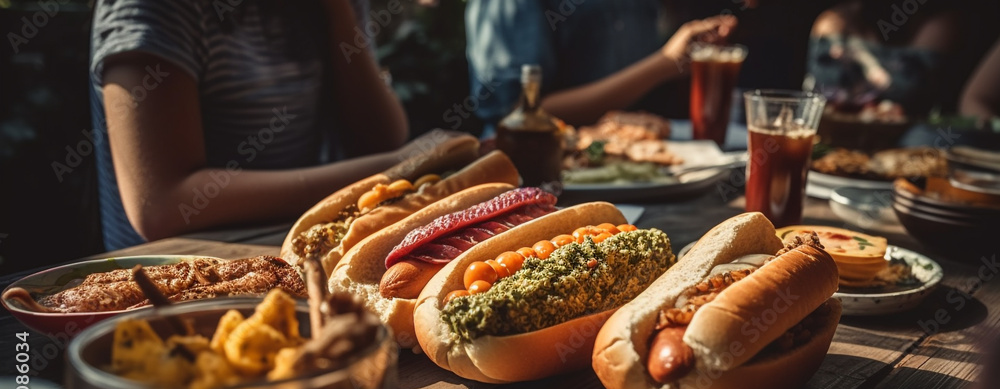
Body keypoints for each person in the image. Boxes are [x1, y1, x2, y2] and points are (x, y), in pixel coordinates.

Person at [90, 0, 431, 250]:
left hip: (292, 259)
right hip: (171, 290)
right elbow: (161, 205)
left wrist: (338, 11)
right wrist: (397, 170)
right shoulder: (153, 10)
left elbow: (381, 138)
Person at [464, 0, 736, 133]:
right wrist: (664, 64)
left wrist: (682, 57)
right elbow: (516, 113)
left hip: (638, 175)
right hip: (540, 183)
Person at [803, 0, 962, 117]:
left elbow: (912, 95)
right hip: (836, 132)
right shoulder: (835, 21)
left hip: (906, 138)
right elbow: (823, 95)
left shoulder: (938, 22)